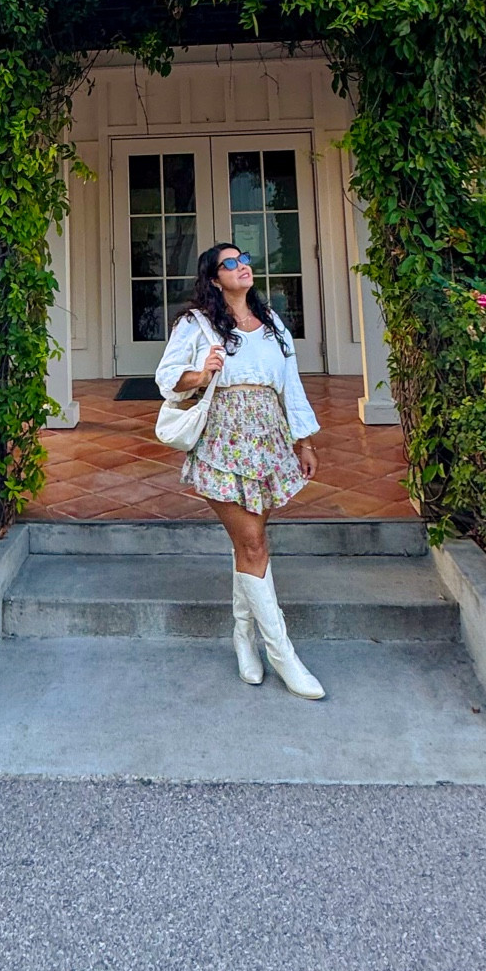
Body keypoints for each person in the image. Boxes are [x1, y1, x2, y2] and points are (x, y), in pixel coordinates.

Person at [154, 242, 326, 699]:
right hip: (223, 442)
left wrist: (304, 441)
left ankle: (243, 637)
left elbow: (291, 386)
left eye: (244, 259)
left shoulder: (272, 324)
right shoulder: (196, 324)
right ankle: (283, 654)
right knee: (252, 543)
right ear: (214, 279)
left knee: (248, 545)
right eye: (229, 264)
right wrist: (201, 374)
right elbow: (167, 377)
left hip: (268, 441)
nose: (242, 267)